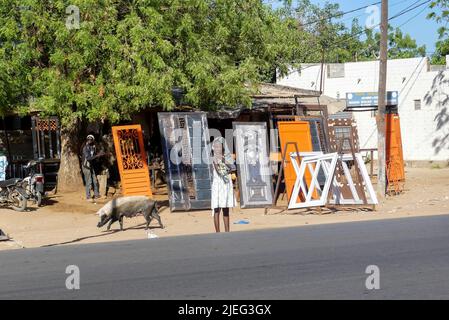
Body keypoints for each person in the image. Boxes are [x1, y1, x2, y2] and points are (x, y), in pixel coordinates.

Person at [211, 137, 236, 232]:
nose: (218, 149)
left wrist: (225, 160)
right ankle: (218, 232)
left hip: (226, 185)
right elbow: (219, 172)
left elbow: (233, 168)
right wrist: (227, 167)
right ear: (213, 148)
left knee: (226, 209)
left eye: (220, 147)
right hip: (218, 185)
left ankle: (227, 231)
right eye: (216, 147)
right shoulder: (214, 158)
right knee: (217, 209)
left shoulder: (226, 157)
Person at [81, 135, 105, 201]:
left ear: (93, 140)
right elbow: (88, 158)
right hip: (86, 166)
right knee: (89, 181)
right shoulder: (85, 148)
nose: (89, 140)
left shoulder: (93, 147)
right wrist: (98, 155)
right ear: (87, 140)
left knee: (95, 180)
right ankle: (88, 197)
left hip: (91, 166)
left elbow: (93, 157)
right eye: (88, 139)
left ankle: (96, 195)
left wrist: (100, 155)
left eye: (91, 139)